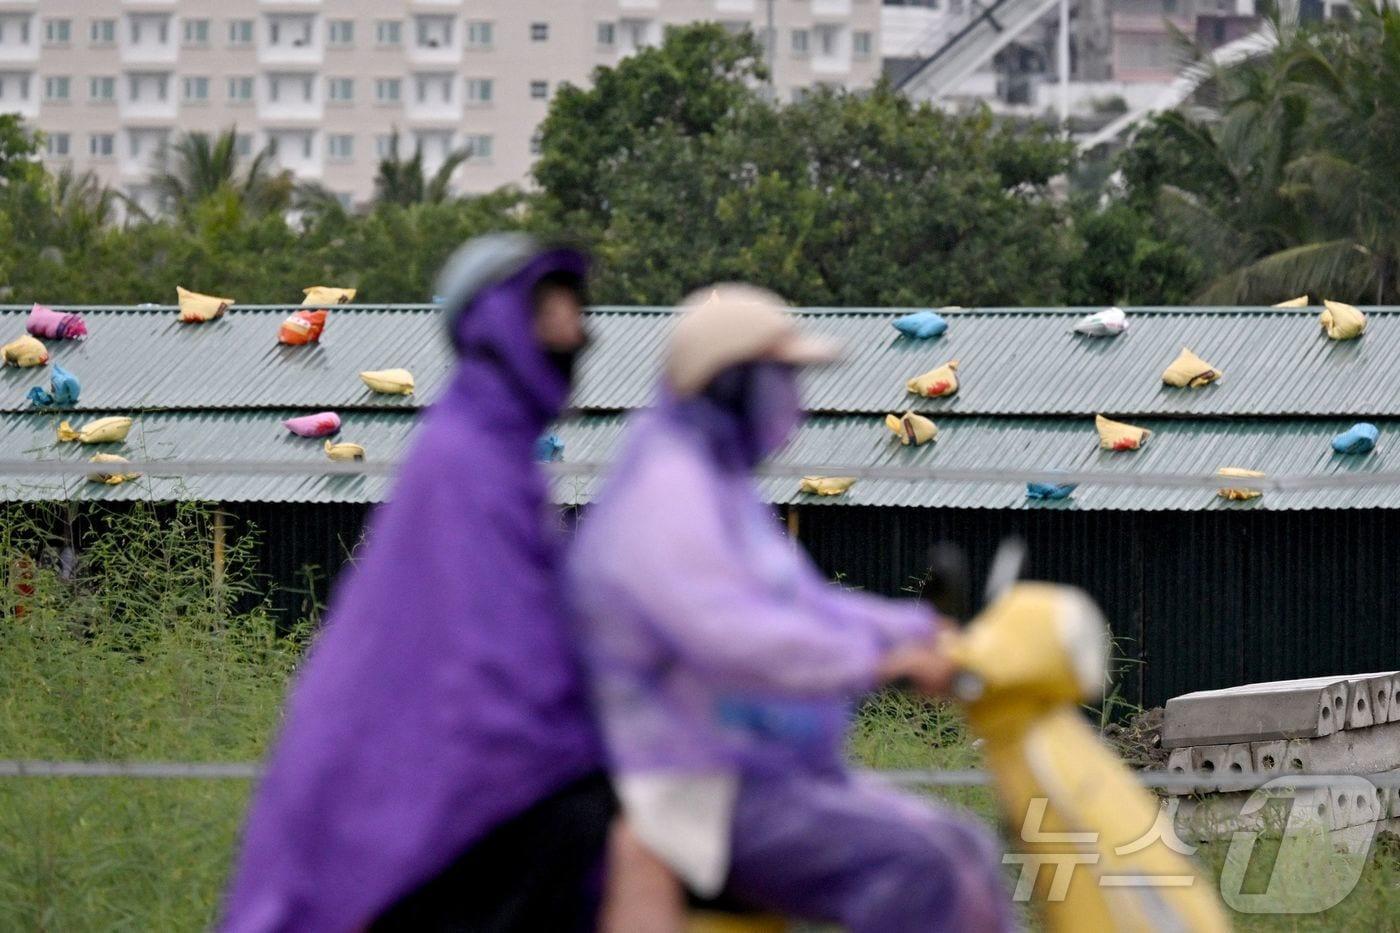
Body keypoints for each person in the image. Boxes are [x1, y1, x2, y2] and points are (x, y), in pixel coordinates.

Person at [568, 285, 1015, 933]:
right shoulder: (668, 490)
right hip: (691, 789)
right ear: (730, 382)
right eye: (780, 378)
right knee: (919, 867)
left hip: (758, 772)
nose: (793, 400)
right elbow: (728, 634)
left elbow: (803, 603)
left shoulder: (715, 481)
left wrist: (917, 627)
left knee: (966, 844)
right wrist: (878, 657)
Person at [222, 234, 621, 932]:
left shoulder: (496, 453)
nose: (579, 332)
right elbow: (504, 668)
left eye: (576, 310)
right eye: (555, 311)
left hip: (447, 787)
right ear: (501, 326)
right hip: (411, 815)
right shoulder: (467, 463)